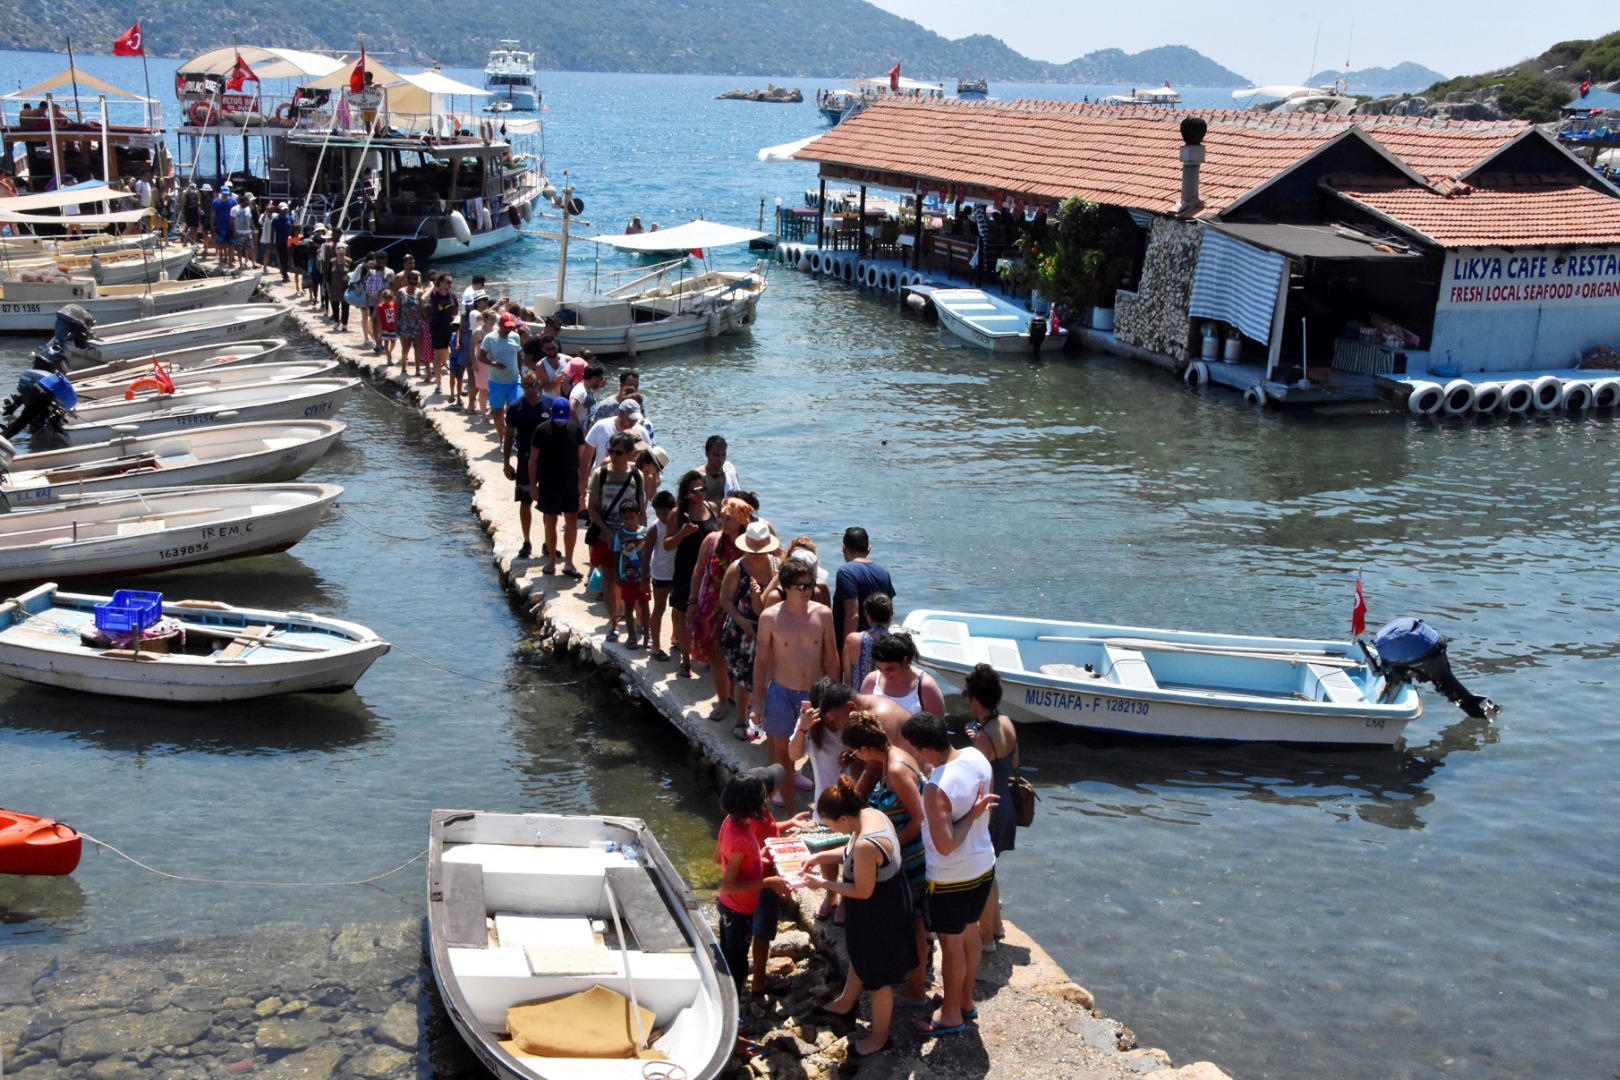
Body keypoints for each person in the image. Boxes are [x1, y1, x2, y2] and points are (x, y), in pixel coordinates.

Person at [801, 774, 919, 1058]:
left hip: (880, 912)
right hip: (886, 902)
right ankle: (846, 1002)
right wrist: (820, 857)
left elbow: (862, 890)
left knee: (878, 981)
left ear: (843, 818)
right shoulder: (871, 815)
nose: (830, 828)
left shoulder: (867, 843)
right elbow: (850, 853)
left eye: (830, 823)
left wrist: (823, 884)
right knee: (861, 956)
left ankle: (880, 1038)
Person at [901, 710, 998, 1038]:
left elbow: (945, 845)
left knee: (951, 945)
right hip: (983, 864)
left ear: (926, 749)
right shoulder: (977, 756)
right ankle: (964, 1000)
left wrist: (970, 815)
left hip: (951, 877)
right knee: (970, 934)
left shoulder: (935, 788)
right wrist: (975, 814)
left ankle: (951, 1014)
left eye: (916, 750)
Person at [841, 710, 930, 1003]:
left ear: (865, 748)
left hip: (913, 858)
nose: (855, 757)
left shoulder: (896, 770)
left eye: (855, 752)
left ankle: (916, 989)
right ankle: (909, 977)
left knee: (916, 926)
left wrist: (889, 846)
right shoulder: (887, 761)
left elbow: (919, 818)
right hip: (903, 855)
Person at [750, 557, 838, 815]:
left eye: (810, 585)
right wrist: (758, 704)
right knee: (783, 756)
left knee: (825, 751)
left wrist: (836, 698)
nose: (807, 590)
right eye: (801, 586)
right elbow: (761, 662)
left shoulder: (823, 614)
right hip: (781, 692)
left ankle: (828, 811)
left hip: (815, 694)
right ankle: (792, 814)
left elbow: (832, 657)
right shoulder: (770, 618)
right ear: (786, 586)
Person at [714, 763, 794, 1010]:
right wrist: (767, 881)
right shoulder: (742, 837)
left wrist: (757, 857)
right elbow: (729, 885)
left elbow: (718, 859)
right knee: (737, 966)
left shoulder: (729, 822)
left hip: (727, 907)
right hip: (738, 912)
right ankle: (732, 1017)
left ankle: (723, 1003)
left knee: (728, 957)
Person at [965, 664, 1017, 951]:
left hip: (990, 808)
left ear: (974, 699)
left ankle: (986, 939)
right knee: (991, 867)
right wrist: (980, 740)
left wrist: (977, 742)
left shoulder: (983, 736)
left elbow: (975, 776)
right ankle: (996, 925)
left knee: (983, 874)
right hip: (1006, 802)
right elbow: (1014, 763)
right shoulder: (1007, 722)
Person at [688, 496, 751, 720]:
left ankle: (736, 695)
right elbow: (698, 571)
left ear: (741, 521)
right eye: (722, 517)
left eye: (729, 518)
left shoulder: (748, 546)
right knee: (716, 653)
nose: (724, 521)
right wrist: (692, 601)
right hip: (712, 605)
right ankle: (722, 700)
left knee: (737, 654)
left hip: (739, 606)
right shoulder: (713, 540)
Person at [721, 520, 781, 746]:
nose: (757, 554)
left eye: (761, 550)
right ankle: (740, 720)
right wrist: (742, 622)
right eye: (753, 550)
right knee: (744, 678)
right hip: (742, 631)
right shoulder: (737, 568)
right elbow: (725, 600)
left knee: (769, 679)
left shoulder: (777, 566)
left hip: (771, 630)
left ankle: (764, 722)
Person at [587, 431, 646, 644]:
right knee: (610, 579)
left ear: (629, 454)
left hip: (631, 538)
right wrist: (607, 532)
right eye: (611, 450)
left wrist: (644, 537)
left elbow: (641, 509)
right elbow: (592, 508)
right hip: (607, 537)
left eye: (618, 452)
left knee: (634, 580)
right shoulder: (600, 475)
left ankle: (639, 623)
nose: (613, 455)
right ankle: (614, 624)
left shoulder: (636, 476)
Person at [667, 470, 717, 679]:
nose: (700, 493)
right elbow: (667, 544)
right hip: (686, 569)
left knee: (710, 614)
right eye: (695, 490)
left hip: (710, 570)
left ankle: (707, 654)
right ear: (686, 493)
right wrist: (682, 534)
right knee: (684, 613)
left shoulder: (712, 508)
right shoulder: (678, 514)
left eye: (703, 488)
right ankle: (685, 660)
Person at [528, 396, 584, 578]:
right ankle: (551, 560)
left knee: (571, 520)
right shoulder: (541, 430)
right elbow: (533, 460)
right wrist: (533, 486)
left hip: (570, 483)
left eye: (563, 418)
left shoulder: (576, 429)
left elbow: (582, 459)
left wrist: (583, 482)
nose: (561, 421)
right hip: (548, 483)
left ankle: (569, 562)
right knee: (550, 521)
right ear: (551, 413)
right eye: (557, 418)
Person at [502, 373, 551, 559]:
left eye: (531, 384)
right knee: (525, 501)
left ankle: (548, 542)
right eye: (525, 385)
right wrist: (506, 463)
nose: (529, 388)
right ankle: (527, 541)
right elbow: (508, 436)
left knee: (547, 502)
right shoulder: (515, 407)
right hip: (524, 458)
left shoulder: (549, 404)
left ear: (538, 384)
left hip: (546, 460)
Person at [861, 633, 947, 718]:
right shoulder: (871, 681)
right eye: (880, 669)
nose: (885, 674)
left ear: (905, 660)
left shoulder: (926, 687)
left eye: (890, 669)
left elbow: (937, 724)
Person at [833, 527, 895, 643]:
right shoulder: (883, 571)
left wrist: (847, 648)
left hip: (856, 645)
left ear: (844, 548)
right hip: (880, 645)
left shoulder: (845, 572)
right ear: (868, 549)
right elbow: (889, 611)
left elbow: (853, 616)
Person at [643, 489, 680, 661]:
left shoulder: (680, 524)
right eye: (658, 513)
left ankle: (676, 637)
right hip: (660, 573)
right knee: (659, 608)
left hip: (677, 573)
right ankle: (655, 646)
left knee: (677, 608)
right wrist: (644, 578)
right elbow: (646, 553)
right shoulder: (655, 527)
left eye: (665, 513)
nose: (662, 517)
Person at [614, 502, 652, 649]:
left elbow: (650, 553)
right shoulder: (620, 534)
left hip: (644, 577)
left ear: (638, 515)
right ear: (621, 518)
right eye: (625, 518)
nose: (629, 521)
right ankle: (631, 636)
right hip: (627, 578)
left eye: (632, 517)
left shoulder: (646, 532)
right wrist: (617, 575)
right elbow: (616, 555)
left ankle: (647, 635)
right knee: (629, 607)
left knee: (645, 605)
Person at [481, 312, 524, 440]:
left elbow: (518, 356)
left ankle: (514, 437)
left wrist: (521, 373)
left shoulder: (515, 337)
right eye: (506, 327)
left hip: (514, 381)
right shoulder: (490, 338)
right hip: (496, 382)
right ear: (500, 324)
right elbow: (481, 357)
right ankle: (501, 438)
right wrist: (492, 363)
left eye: (511, 327)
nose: (508, 329)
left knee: (518, 408)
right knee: (497, 412)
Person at [843, 593, 894, 689]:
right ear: (891, 615)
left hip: (858, 697)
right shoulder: (896, 644)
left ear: (868, 616)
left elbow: (847, 680)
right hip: (885, 698)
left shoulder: (853, 640)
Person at [424, 273, 460, 394]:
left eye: (451, 282)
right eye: (448, 282)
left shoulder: (452, 295)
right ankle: (438, 383)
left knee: (451, 354)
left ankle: (456, 384)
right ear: (440, 282)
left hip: (451, 329)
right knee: (438, 355)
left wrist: (457, 320)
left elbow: (457, 310)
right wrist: (432, 287)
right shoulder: (434, 295)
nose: (450, 284)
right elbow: (423, 299)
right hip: (438, 329)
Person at [701, 434, 740, 505]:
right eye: (716, 455)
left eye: (723, 454)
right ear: (707, 454)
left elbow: (739, 498)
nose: (720, 459)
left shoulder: (730, 470)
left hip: (730, 511)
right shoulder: (700, 478)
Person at [397, 270, 422, 375]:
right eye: (411, 283)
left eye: (415, 283)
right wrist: (395, 324)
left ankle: (417, 369)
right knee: (405, 347)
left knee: (417, 347)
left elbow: (421, 309)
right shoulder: (401, 292)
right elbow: (398, 308)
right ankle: (403, 365)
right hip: (405, 324)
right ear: (407, 282)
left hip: (416, 324)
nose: (413, 286)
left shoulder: (419, 293)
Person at [569, 361, 604, 426]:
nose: (601, 381)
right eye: (601, 379)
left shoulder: (587, 389)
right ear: (594, 378)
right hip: (582, 430)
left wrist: (599, 387)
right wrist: (579, 428)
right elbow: (571, 409)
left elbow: (586, 397)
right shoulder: (580, 391)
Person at [326, 243, 351, 330]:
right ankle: (336, 321)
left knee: (345, 306)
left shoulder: (349, 261)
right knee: (335, 304)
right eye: (339, 253)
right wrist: (327, 285)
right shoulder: (332, 261)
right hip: (334, 287)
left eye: (342, 254)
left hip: (345, 287)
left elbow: (353, 274)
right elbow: (328, 274)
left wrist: (348, 278)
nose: (341, 255)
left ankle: (345, 324)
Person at [374, 289, 399, 362]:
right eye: (386, 299)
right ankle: (388, 357)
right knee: (386, 343)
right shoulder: (380, 306)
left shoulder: (394, 304)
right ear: (383, 298)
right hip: (385, 328)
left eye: (389, 298)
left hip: (393, 327)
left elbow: (396, 314)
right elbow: (378, 317)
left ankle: (390, 352)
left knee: (393, 342)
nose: (387, 300)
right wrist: (379, 327)